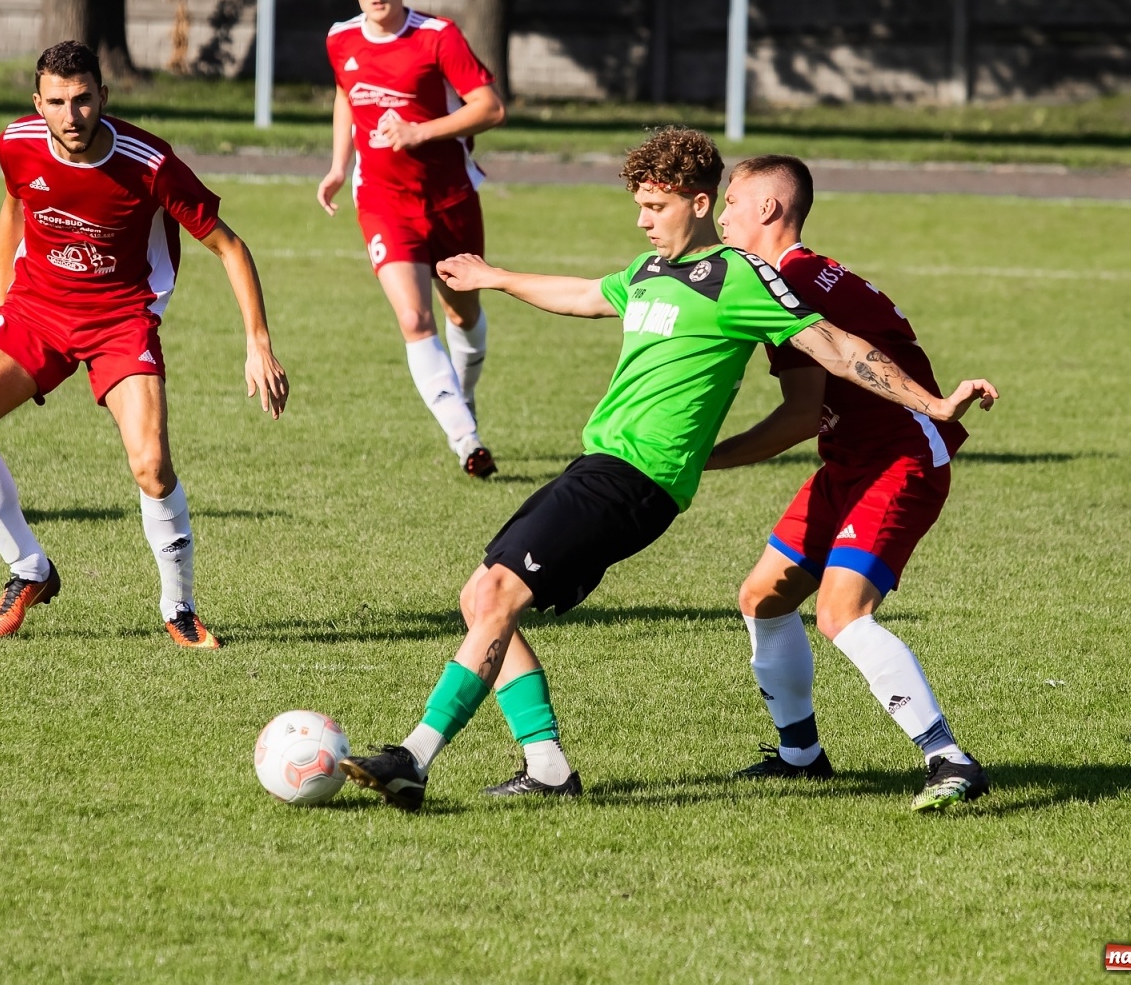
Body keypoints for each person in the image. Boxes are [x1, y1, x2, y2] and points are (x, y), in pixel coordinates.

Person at [339, 129, 997, 811]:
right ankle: (551, 766)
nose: (642, 219)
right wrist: (495, 278)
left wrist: (934, 402)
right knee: (482, 597)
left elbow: (835, 346)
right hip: (597, 464)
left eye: (655, 205)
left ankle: (413, 755)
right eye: (640, 205)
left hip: (633, 482)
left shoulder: (741, 279)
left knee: (501, 594)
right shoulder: (650, 274)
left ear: (702, 203)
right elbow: (585, 294)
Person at [0, 41, 289, 649]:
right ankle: (28, 569)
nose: (70, 115)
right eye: (56, 102)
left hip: (121, 319)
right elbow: (14, 206)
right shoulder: (16, 142)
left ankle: (179, 607)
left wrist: (258, 341)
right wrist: (1, 300)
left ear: (104, 95)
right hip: (36, 310)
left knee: (151, 465)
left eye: (82, 99)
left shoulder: (149, 163)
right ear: (37, 102)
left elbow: (229, 246)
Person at [707, 154, 993, 811]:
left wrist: (702, 458)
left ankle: (948, 758)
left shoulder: (791, 280)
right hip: (848, 459)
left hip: (899, 458)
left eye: (732, 202)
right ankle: (800, 756)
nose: (723, 215)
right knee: (765, 596)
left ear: (769, 210)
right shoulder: (797, 272)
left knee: (840, 612)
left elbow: (798, 416)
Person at [317, 0, 507, 477]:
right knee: (414, 316)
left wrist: (421, 133)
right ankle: (465, 439)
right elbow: (344, 97)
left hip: (450, 198)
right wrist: (338, 165)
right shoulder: (340, 40)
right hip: (382, 199)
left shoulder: (438, 37)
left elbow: (490, 108)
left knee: (461, 312)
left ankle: (462, 396)